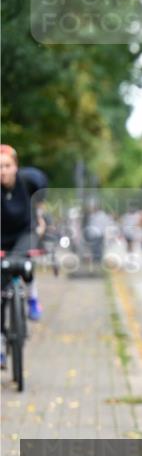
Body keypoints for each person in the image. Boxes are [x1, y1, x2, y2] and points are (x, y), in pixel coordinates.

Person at [1, 144, 47, 365]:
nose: (3, 171)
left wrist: (39, 217)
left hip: (23, 233)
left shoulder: (29, 181)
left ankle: (32, 299)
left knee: (22, 263)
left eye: (7, 166)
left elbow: (40, 195)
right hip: (2, 236)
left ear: (16, 166)